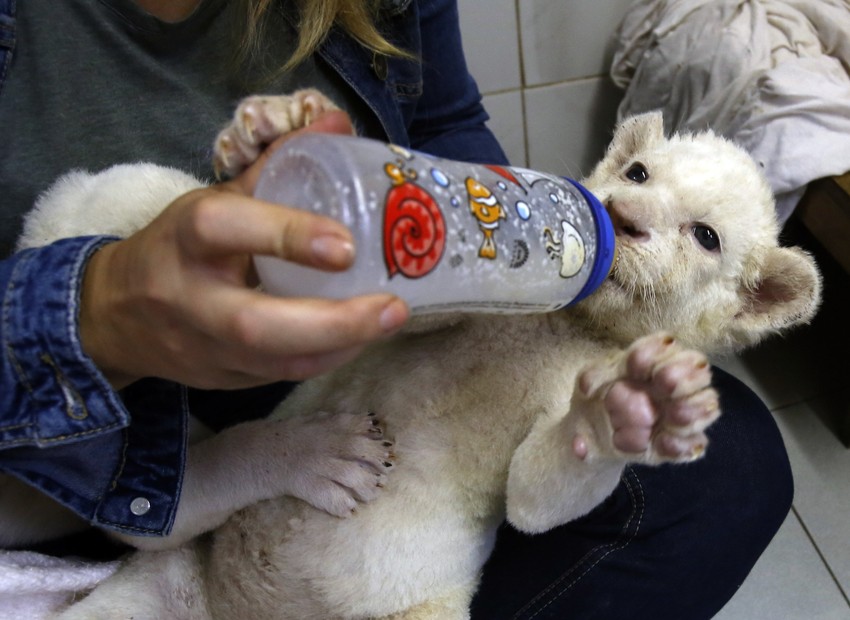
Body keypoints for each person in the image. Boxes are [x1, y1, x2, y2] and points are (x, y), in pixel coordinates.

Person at [0, 0, 792, 618]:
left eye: (705, 237)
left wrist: (494, 245)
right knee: (125, 203)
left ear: (751, 303)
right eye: (640, 176)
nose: (634, 214)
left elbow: (443, 120)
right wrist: (95, 318)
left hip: (363, 444)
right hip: (72, 402)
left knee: (737, 468)